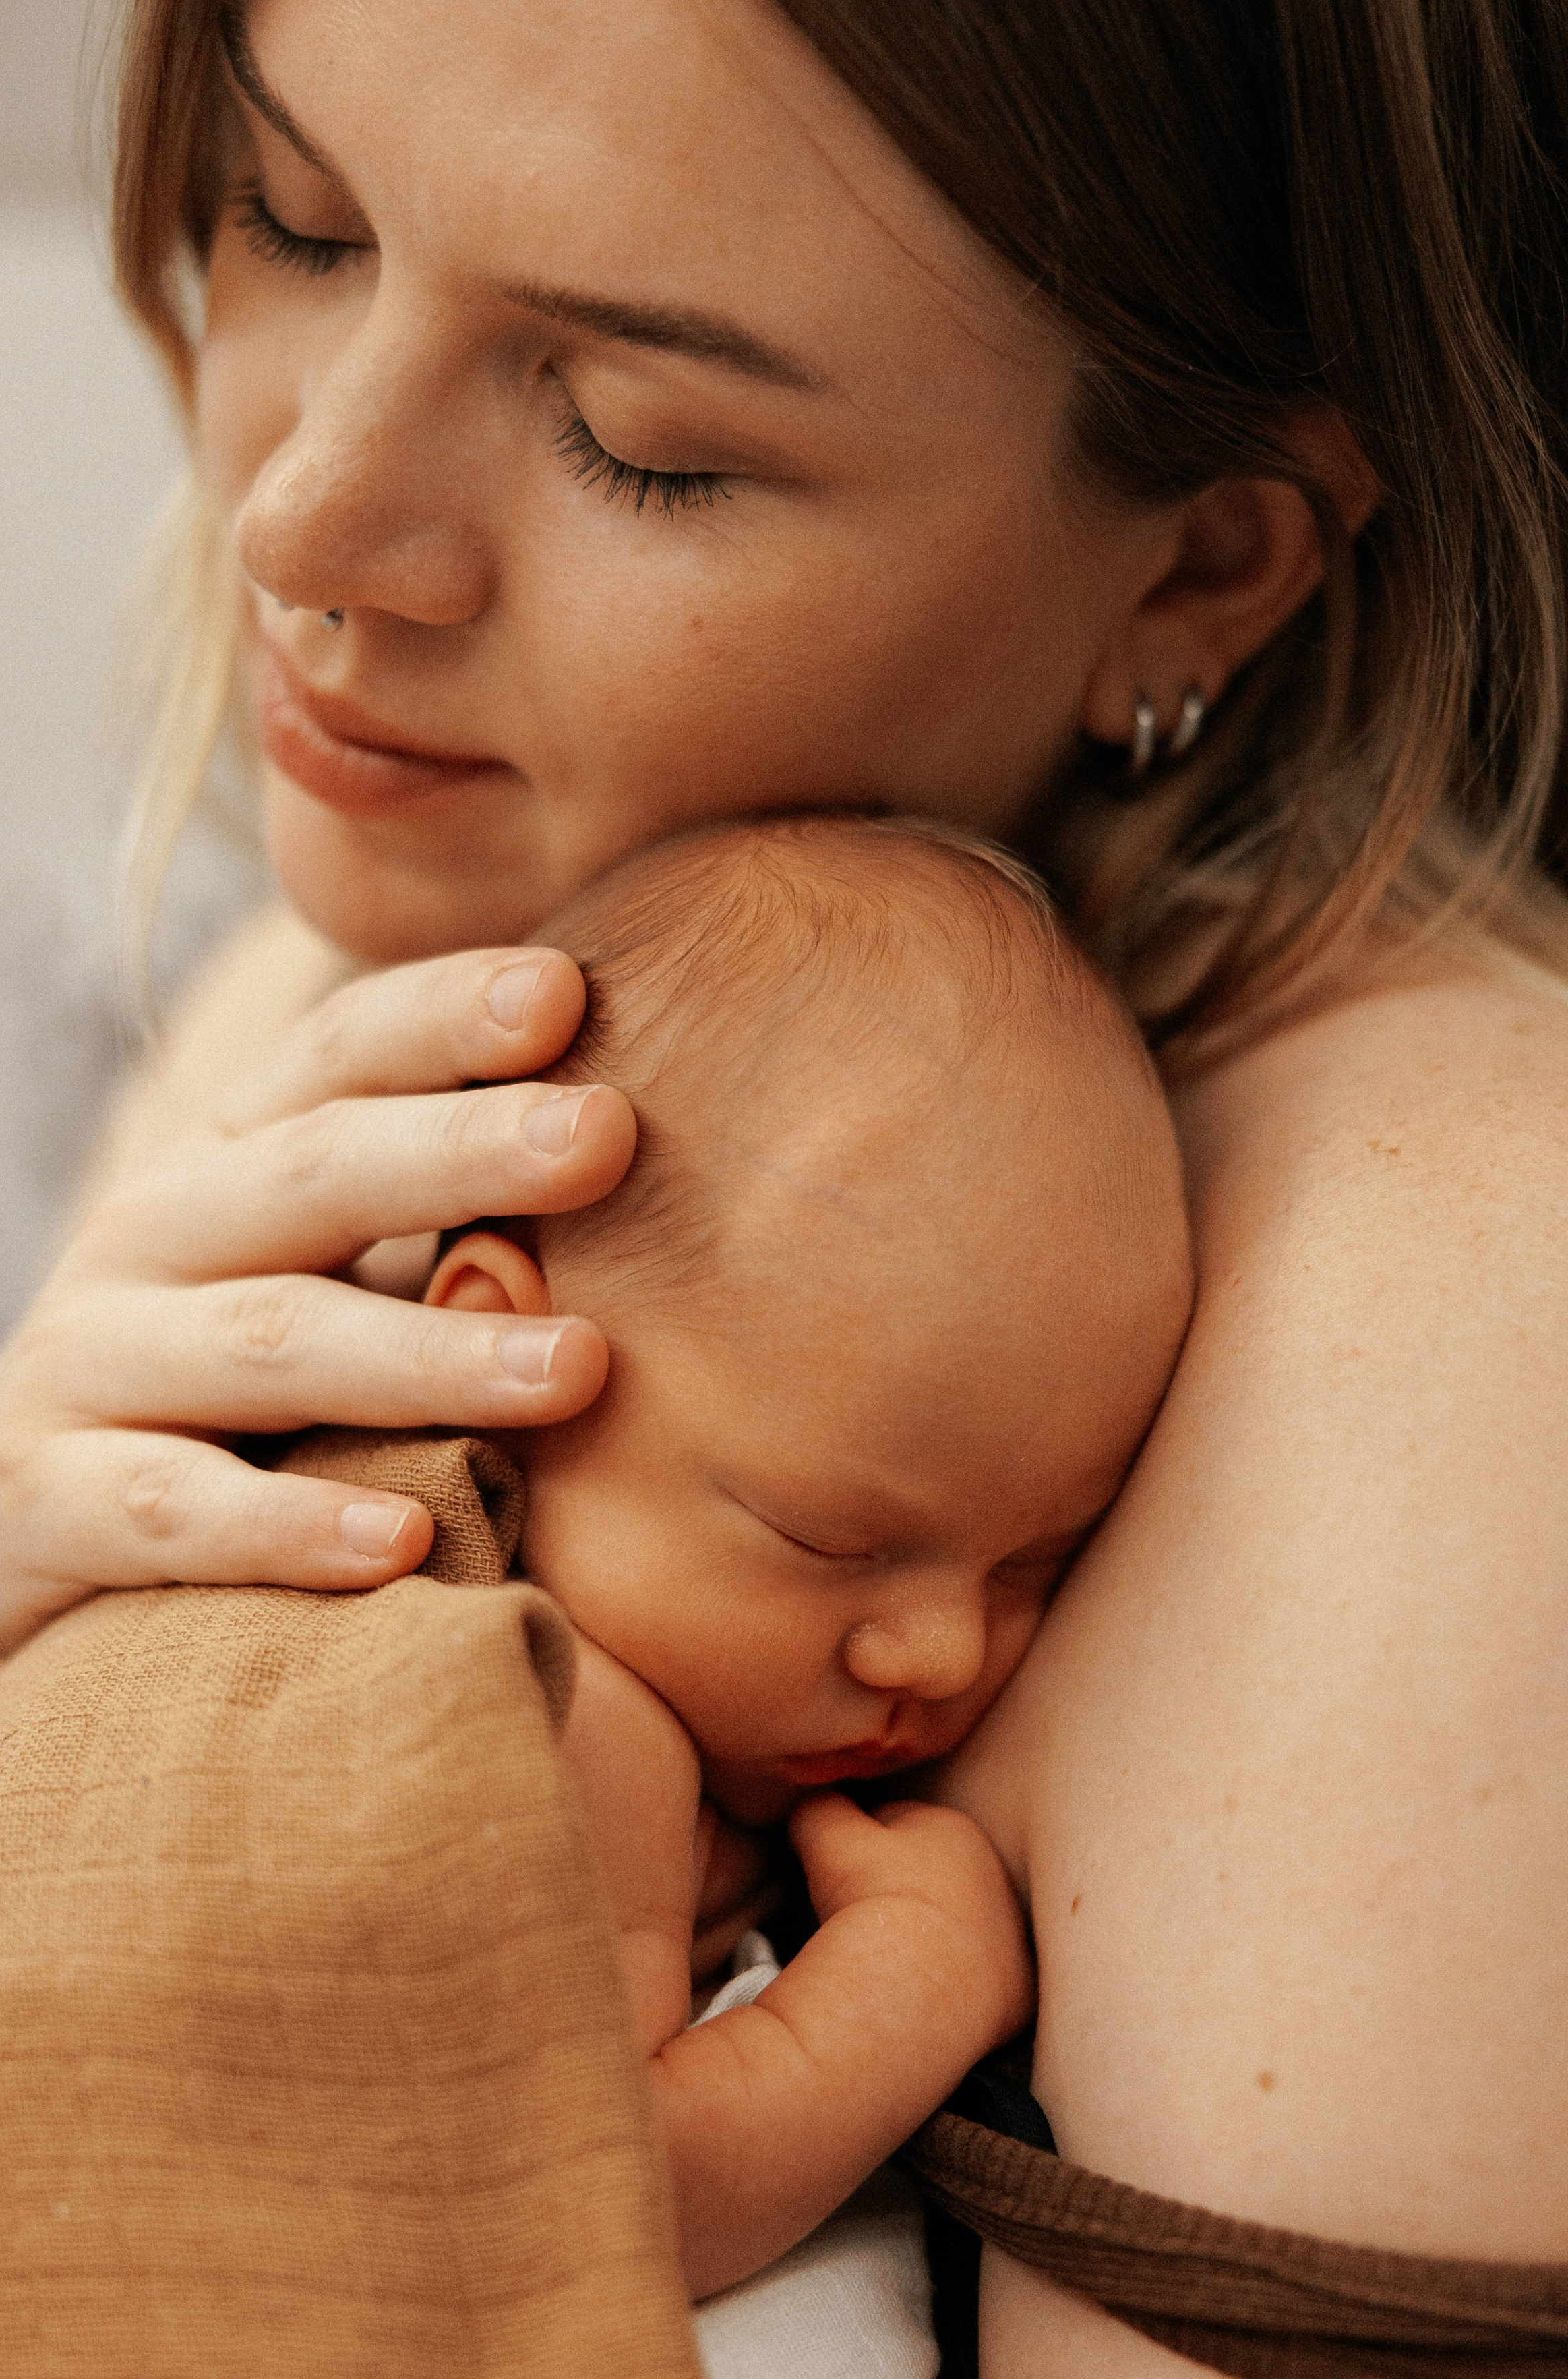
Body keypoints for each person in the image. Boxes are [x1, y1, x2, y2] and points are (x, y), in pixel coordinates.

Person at [0, 0, 1564, 2365]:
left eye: (641, 428)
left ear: (1203, 560)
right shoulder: (382, 984)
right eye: (297, 216)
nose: (300, 520)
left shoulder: (1447, 1340)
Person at [402, 811, 1191, 2308]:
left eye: (1038, 1557)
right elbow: (609, 2205)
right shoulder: (567, 1716)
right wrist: (911, 1975)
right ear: (502, 1357)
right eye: (833, 1538)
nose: (944, 1650)